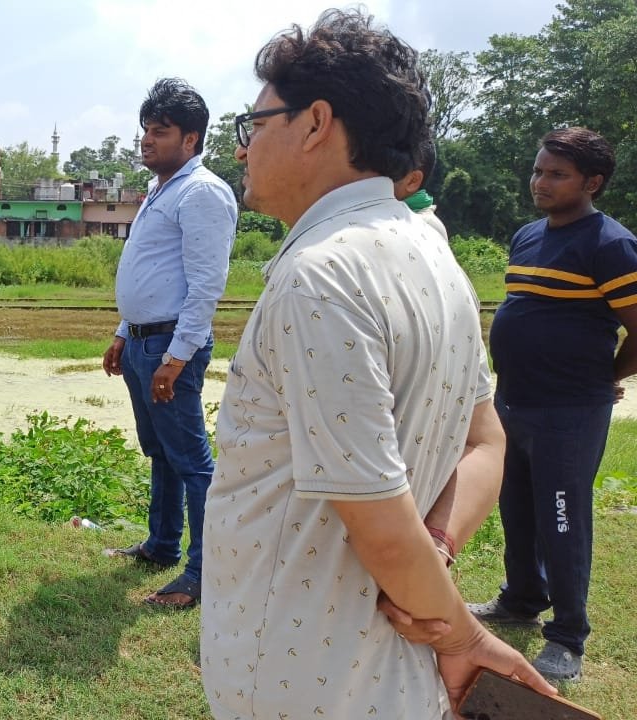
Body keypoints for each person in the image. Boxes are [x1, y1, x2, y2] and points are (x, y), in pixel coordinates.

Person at [201, 10, 555, 718]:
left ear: (315, 123)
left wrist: (461, 632)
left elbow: (381, 522)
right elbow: (486, 442)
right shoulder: (436, 259)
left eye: (254, 124)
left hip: (301, 672)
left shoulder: (320, 277)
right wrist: (438, 549)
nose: (242, 150)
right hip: (390, 670)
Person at [469, 127, 637, 683]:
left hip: (569, 412)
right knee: (516, 509)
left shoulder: (610, 244)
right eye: (538, 170)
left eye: (557, 175)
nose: (540, 182)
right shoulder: (528, 236)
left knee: (562, 520)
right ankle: (521, 599)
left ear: (592, 182)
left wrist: (604, 377)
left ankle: (567, 636)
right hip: (514, 401)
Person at [101, 78, 236, 609]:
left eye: (160, 131)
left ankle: (203, 571)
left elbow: (206, 285)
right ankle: (161, 545)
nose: (147, 140)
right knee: (159, 450)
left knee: (191, 460)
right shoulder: (162, 189)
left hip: (169, 347)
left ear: (191, 139)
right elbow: (152, 271)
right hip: (143, 342)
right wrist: (123, 333)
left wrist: (177, 357)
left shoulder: (202, 192)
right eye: (145, 130)